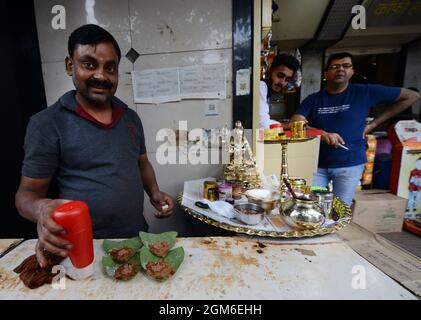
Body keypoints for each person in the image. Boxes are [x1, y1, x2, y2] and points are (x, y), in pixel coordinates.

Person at [15, 24, 174, 267]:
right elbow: (26, 194)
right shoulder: (46, 124)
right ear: (70, 65)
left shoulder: (130, 117)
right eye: (89, 64)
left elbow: (142, 162)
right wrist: (40, 208)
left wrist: (154, 192)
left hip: (136, 239)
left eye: (110, 68)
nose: (101, 75)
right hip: (82, 250)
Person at [291, 52, 420, 205]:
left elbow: (412, 96)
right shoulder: (314, 99)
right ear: (326, 73)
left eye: (346, 66)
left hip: (349, 165)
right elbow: (296, 121)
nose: (340, 70)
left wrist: (373, 124)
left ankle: (336, 230)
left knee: (340, 208)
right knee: (313, 205)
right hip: (318, 167)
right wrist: (321, 133)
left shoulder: (364, 92)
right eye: (334, 66)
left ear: (352, 71)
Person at [259, 53, 300, 129]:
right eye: (280, 76)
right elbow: (263, 124)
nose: (282, 82)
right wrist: (288, 126)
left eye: (287, 79)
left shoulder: (267, 91)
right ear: (271, 71)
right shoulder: (261, 86)